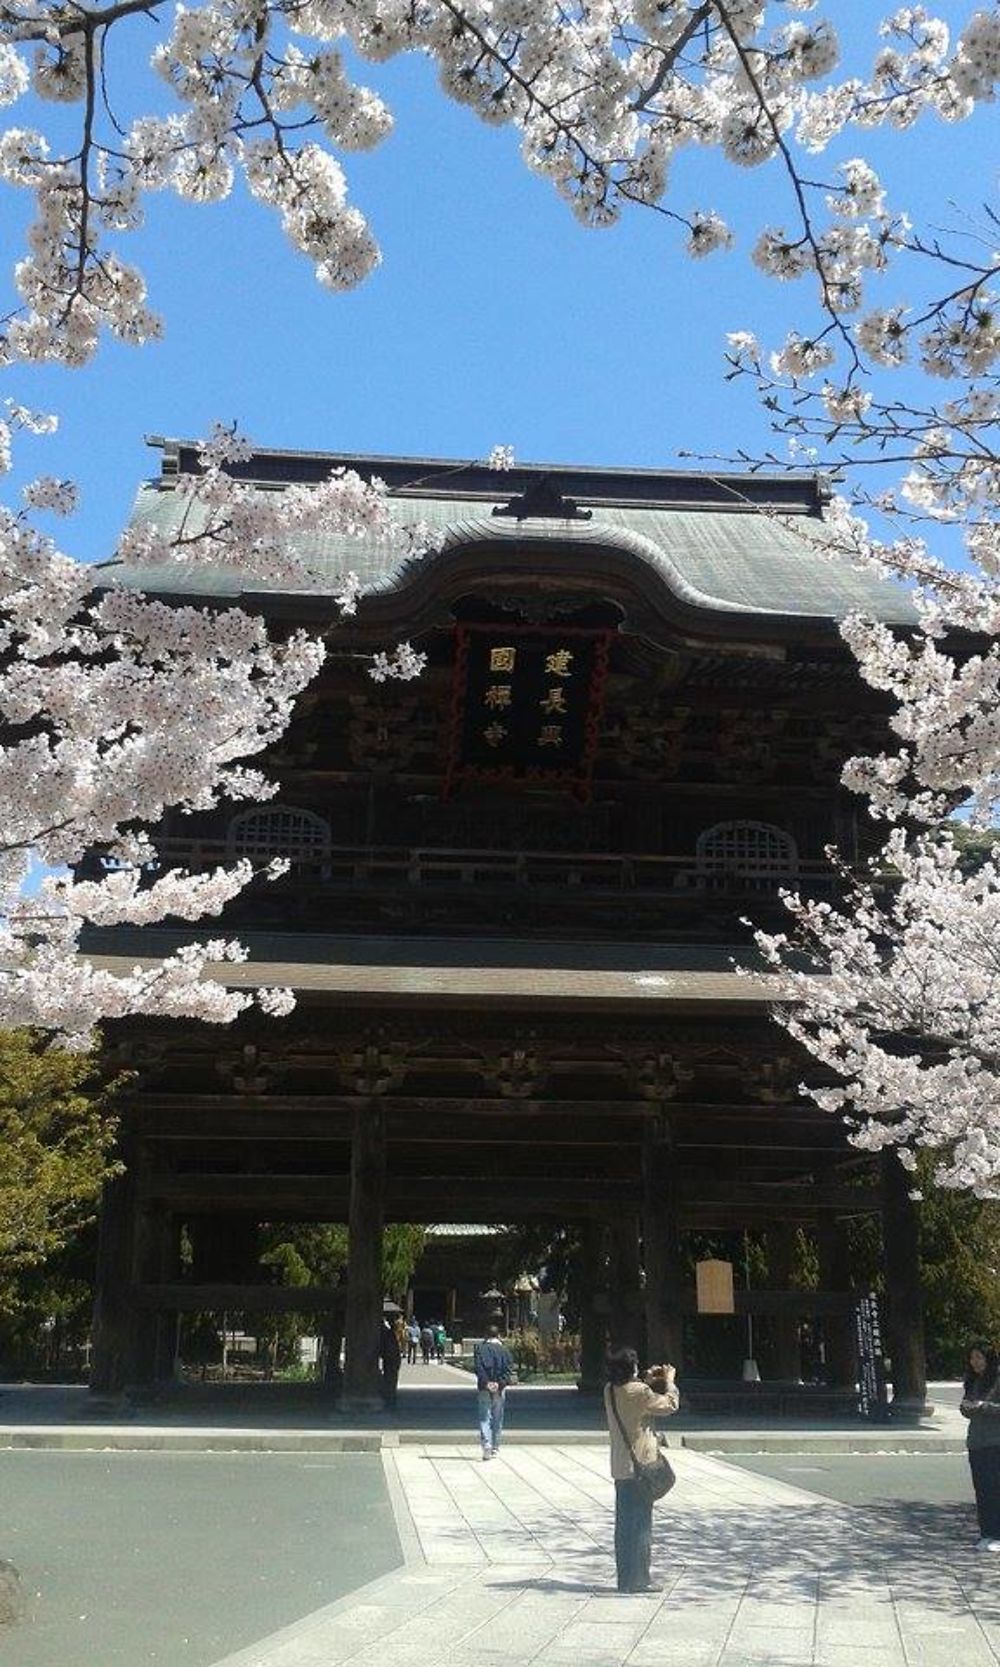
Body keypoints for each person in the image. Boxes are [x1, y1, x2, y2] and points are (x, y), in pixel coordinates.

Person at [604, 1347, 679, 1593]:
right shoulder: (640, 1392)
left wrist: (645, 1380)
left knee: (624, 1526)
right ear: (632, 1368)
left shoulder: (610, 1389)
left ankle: (625, 1578)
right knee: (641, 1526)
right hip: (640, 1467)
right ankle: (639, 1580)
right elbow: (669, 1405)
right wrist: (669, 1382)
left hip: (620, 1466)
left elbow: (632, 1393)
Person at [961, 1343, 1000, 1549]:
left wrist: (983, 1406)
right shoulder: (972, 1380)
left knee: (995, 1489)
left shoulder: (997, 1378)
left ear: (988, 1359)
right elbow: (967, 1406)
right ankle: (987, 1533)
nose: (975, 1362)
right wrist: (966, 1408)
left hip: (996, 1442)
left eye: (979, 1358)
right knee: (982, 1489)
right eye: (972, 1358)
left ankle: (998, 1534)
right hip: (977, 1442)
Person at [473, 1324, 514, 1459]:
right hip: (500, 1388)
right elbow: (508, 1371)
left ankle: (486, 1445)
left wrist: (487, 1383)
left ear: (486, 1335)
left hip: (484, 1388)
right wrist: (499, 1383)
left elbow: (479, 1368)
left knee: (484, 1417)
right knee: (497, 1417)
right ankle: (496, 1447)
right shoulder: (505, 1351)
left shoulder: (480, 1349)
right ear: (498, 1336)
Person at [380, 1316, 401, 1409]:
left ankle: (390, 1401)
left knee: (390, 1381)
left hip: (390, 1362)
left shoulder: (386, 1334)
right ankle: (390, 1400)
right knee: (391, 1382)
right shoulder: (389, 1334)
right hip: (392, 1361)